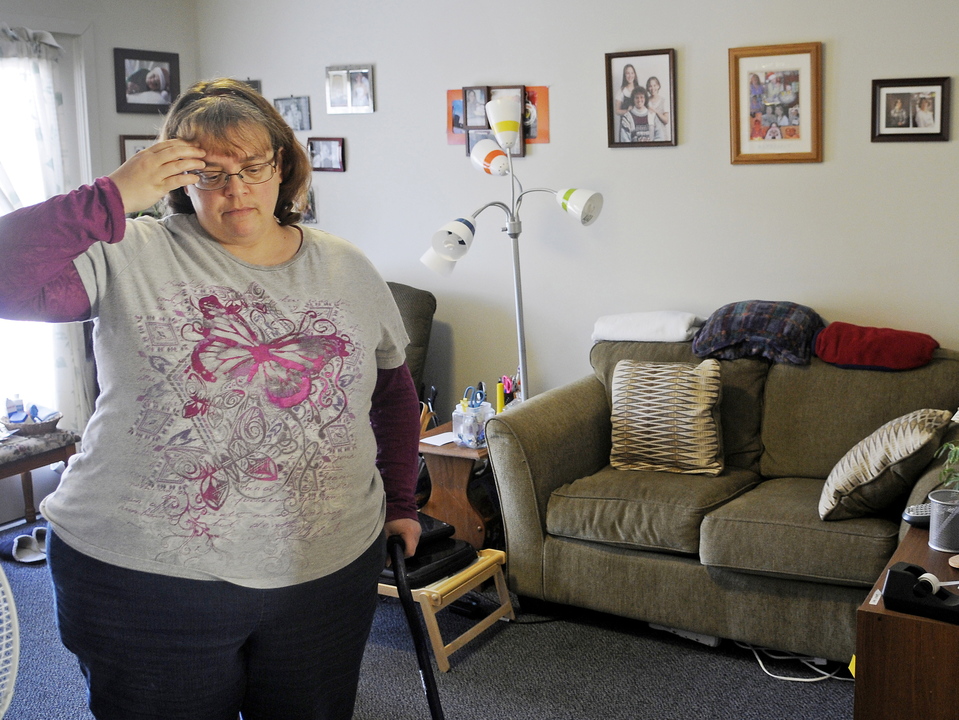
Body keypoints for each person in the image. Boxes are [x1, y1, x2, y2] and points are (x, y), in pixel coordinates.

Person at [0, 77, 422, 720]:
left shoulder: (348, 267)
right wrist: (109, 197)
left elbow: (391, 390)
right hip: (145, 582)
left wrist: (400, 499)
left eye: (252, 167)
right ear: (178, 179)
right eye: (209, 172)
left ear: (282, 166)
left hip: (325, 573)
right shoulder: (124, 252)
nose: (235, 189)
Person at [645, 76, 670, 142]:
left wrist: (656, 111)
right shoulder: (645, 102)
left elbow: (666, 120)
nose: (652, 88)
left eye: (654, 85)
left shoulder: (663, 101)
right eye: (650, 86)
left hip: (662, 136)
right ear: (647, 88)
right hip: (649, 136)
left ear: (658, 86)